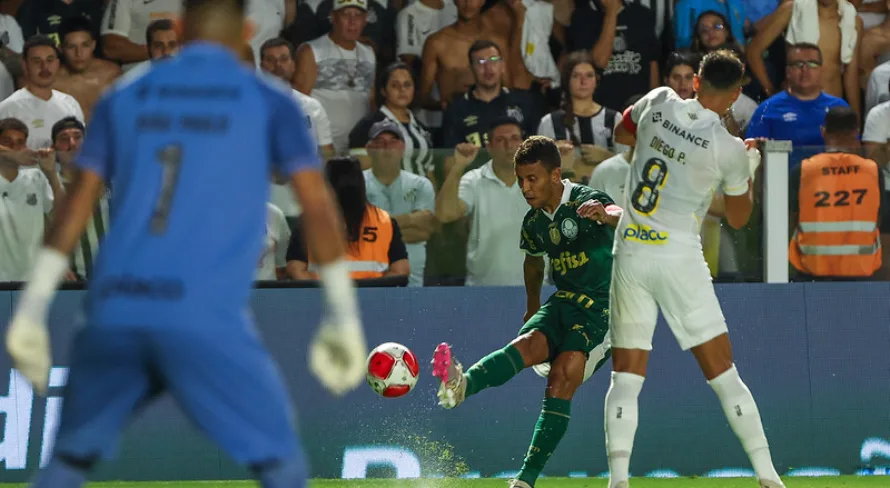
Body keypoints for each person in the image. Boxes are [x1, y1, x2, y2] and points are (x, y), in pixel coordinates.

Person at [4, 2, 368, 488]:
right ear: (247, 31)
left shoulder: (124, 95)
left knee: (67, 465)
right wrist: (342, 314)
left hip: (115, 306)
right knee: (282, 467)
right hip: (202, 313)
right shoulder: (270, 101)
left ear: (178, 29)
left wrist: (32, 308)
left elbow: (75, 206)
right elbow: (319, 207)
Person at [605, 50, 785, 488]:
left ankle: (618, 480)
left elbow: (621, 133)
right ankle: (768, 476)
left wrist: (665, 149)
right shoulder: (729, 149)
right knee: (723, 374)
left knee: (626, 376)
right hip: (679, 259)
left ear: (697, 81)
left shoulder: (658, 99)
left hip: (630, 251)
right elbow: (739, 218)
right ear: (737, 95)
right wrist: (750, 167)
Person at [432, 135, 620, 488]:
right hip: (563, 301)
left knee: (562, 374)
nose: (525, 187)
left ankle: (524, 480)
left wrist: (606, 215)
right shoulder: (534, 222)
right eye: (521, 179)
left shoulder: (584, 199)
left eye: (532, 178)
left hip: (602, 308)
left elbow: (619, 215)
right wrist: (532, 308)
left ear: (555, 175)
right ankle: (460, 387)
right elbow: (533, 264)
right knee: (527, 344)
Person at [286, 156, 410, 281]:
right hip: (373, 293)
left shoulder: (310, 220)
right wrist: (374, 289)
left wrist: (322, 291)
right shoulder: (384, 221)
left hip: (326, 292)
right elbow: (401, 270)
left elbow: (296, 269)